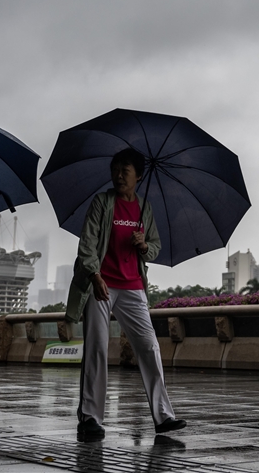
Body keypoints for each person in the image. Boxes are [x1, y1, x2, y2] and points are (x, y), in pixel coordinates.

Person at [66, 148, 186, 439]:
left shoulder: (145, 209)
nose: (119, 175)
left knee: (149, 347)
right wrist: (95, 276)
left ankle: (163, 416)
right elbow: (87, 246)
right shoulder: (102, 203)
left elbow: (154, 247)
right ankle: (90, 418)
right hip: (101, 283)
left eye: (126, 171)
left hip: (133, 286)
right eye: (116, 169)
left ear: (139, 176)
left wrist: (143, 245)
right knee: (97, 348)